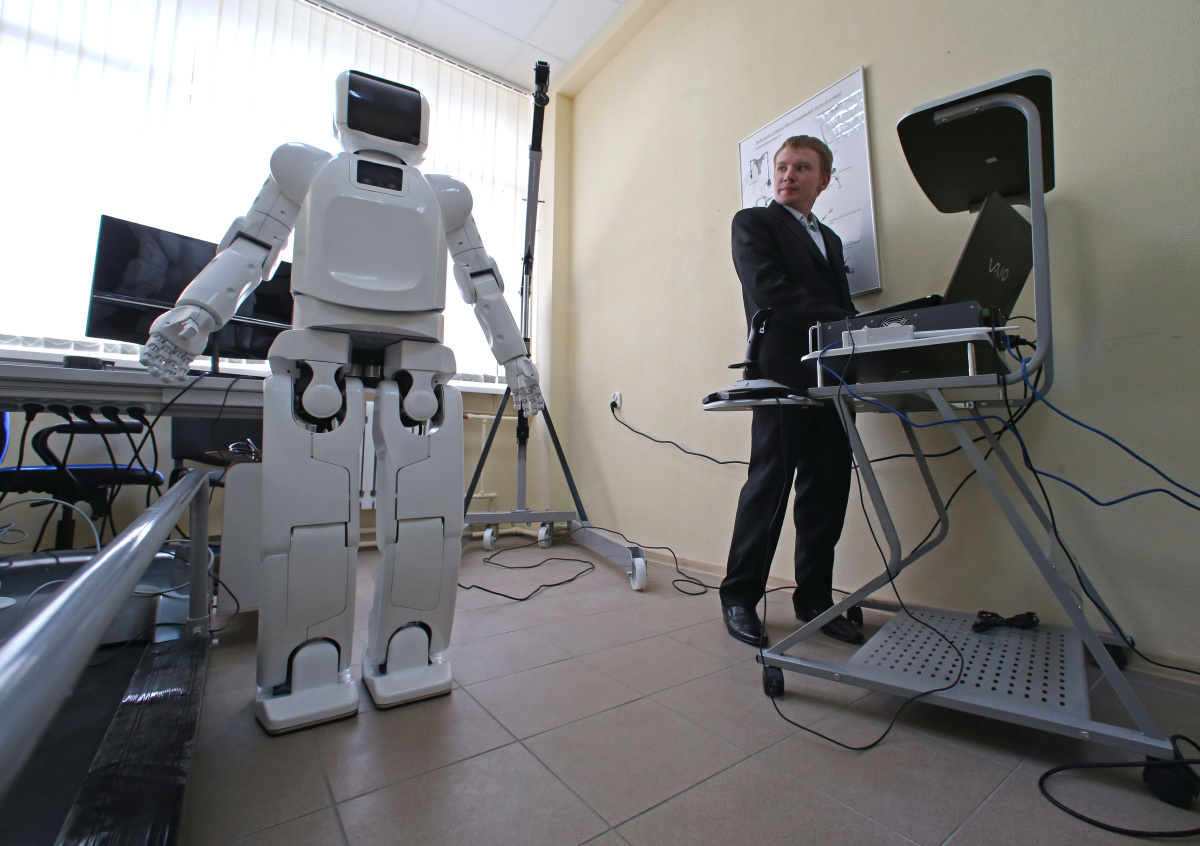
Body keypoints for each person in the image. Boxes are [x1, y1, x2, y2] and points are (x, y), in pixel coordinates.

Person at [721, 135, 862, 647]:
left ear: (823, 180)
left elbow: (837, 304)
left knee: (827, 491)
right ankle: (739, 598)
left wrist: (865, 333)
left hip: (832, 378)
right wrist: (849, 321)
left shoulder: (831, 239)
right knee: (769, 486)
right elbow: (771, 291)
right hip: (782, 373)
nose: (787, 175)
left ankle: (815, 599)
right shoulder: (753, 223)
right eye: (782, 166)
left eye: (802, 168)